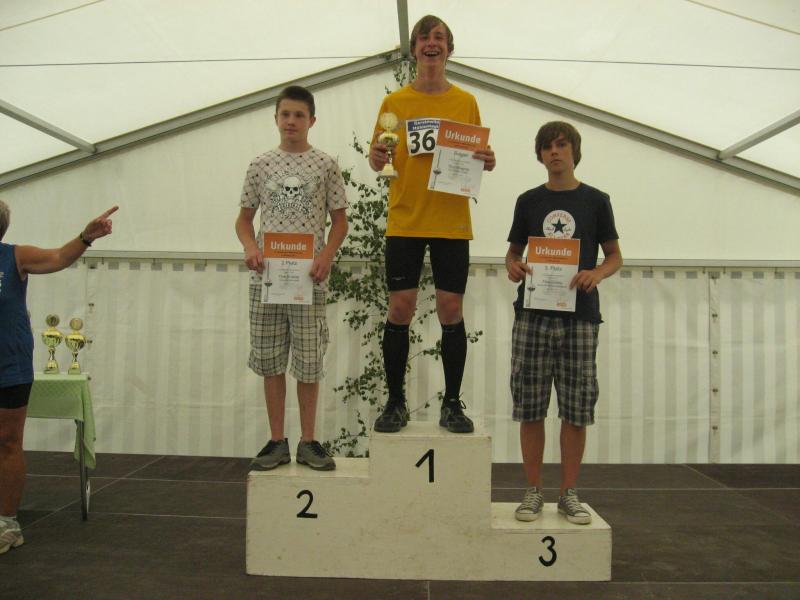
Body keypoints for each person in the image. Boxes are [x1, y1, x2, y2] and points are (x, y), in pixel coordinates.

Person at [368, 15, 496, 434]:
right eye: (423, 37)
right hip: (405, 219)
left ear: (449, 49)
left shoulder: (466, 102)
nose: (431, 43)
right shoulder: (394, 103)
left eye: (438, 37)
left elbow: (476, 153)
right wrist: (377, 157)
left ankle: (452, 404)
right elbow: (378, 157)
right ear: (413, 49)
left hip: (451, 222)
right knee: (400, 308)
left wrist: (487, 159)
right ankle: (395, 403)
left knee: (451, 310)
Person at [504, 121, 622, 524]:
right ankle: (532, 491)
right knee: (530, 406)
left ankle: (568, 493)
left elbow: (614, 256)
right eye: (547, 146)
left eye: (561, 145)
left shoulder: (597, 201)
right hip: (532, 315)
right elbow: (513, 254)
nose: (554, 152)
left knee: (576, 408)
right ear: (539, 155)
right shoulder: (528, 201)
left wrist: (597, 273)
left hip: (581, 317)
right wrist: (513, 267)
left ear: (574, 151)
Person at [236, 85, 348, 472]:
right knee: (270, 360)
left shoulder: (326, 165)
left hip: (308, 279)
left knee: (309, 360)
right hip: (267, 278)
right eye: (285, 114)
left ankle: (309, 441)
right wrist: (251, 248)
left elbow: (340, 222)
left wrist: (326, 255)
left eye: (299, 115)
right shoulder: (260, 164)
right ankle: (276, 440)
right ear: (276, 118)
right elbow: (243, 220)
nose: (291, 122)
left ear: (311, 120)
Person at [0, 201, 118, 553]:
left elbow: (58, 257)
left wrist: (85, 237)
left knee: (7, 442)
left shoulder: (15, 256)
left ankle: (7, 523)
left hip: (8, 366)